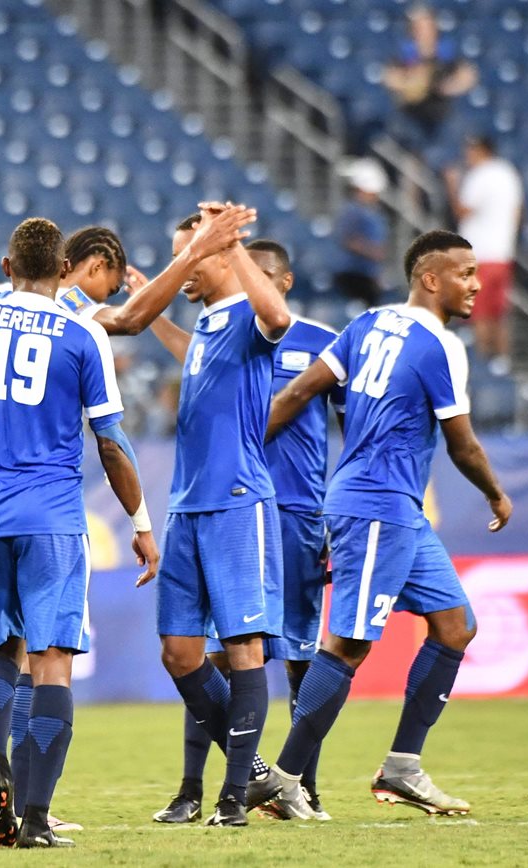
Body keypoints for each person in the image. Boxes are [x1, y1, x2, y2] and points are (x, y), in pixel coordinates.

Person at [0, 212, 253, 832]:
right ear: (84, 268)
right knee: (49, 659)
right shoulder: (70, 317)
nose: (111, 300)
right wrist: (194, 252)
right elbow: (129, 326)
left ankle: (1, 776)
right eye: (110, 283)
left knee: (7, 651)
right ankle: (24, 796)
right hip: (49, 514)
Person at [0, 217, 160, 848]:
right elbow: (112, 443)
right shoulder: (84, 334)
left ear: (8, 265)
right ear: (64, 270)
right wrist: (142, 523)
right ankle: (36, 819)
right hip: (52, 519)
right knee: (53, 664)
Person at [248, 230, 512, 818]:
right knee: (346, 646)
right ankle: (283, 779)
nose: (476, 284)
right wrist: (496, 494)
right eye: (465, 273)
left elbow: (298, 392)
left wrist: (245, 446)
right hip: (374, 506)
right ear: (430, 278)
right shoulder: (440, 347)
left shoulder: (368, 324)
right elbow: (462, 444)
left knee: (455, 625)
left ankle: (402, 768)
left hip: (395, 509)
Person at [154, 240, 345, 825]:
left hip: (292, 511)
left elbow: (350, 427)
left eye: (260, 274)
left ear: (281, 280)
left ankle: (297, 784)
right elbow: (197, 361)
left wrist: (337, 512)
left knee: (291, 656)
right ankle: (198, 788)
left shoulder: (317, 338)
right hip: (226, 504)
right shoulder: (215, 329)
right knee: (208, 649)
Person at [151, 207, 291, 827]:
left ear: (218, 255)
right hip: (187, 505)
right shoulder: (208, 325)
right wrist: (149, 308)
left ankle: (233, 795)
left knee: (243, 649)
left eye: (188, 254)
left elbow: (279, 317)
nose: (178, 266)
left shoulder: (249, 316)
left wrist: (232, 245)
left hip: (237, 502)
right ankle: (256, 770)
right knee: (180, 653)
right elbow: (190, 357)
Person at [444, 135, 523, 373]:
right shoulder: (508, 173)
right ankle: (502, 366)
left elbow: (462, 211)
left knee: (479, 314)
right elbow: (518, 212)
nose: (468, 155)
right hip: (502, 254)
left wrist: (452, 184)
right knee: (499, 315)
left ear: (482, 150)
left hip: (480, 255)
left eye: (471, 150)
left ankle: (482, 366)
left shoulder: (480, 175)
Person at [382, 4, 477, 146]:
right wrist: (413, 83)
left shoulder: (446, 51)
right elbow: (390, 77)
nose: (424, 31)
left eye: (427, 26)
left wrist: (449, 86)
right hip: (411, 115)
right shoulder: (403, 53)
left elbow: (468, 75)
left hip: (442, 115)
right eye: (419, 26)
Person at [332, 159, 390, 309]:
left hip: (367, 274)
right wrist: (373, 252)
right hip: (353, 274)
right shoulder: (353, 211)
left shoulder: (374, 213)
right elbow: (349, 239)